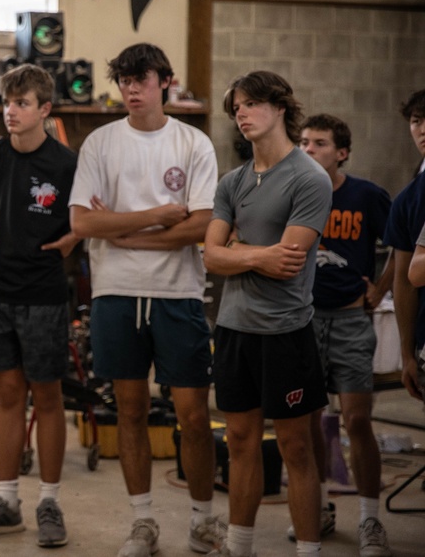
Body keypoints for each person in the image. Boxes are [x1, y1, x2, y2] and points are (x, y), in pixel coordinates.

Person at [68, 43, 222, 557]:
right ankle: (142, 523)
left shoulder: (193, 142)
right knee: (129, 413)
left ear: (165, 83)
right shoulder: (100, 143)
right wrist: (157, 215)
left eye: (142, 79)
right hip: (116, 293)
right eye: (125, 81)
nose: (132, 89)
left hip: (178, 293)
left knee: (193, 417)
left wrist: (125, 232)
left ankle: (203, 522)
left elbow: (202, 224)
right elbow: (83, 223)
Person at [202, 71, 332, 557]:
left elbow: (289, 261)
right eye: (237, 106)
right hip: (234, 328)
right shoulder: (233, 181)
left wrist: (236, 249)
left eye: (253, 103)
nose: (242, 113)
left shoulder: (308, 178)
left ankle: (309, 550)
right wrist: (255, 254)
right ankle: (240, 547)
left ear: (281, 108)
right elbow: (210, 256)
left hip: (284, 331)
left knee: (296, 447)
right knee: (239, 442)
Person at [0, 63, 78, 547]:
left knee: (46, 397)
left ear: (44, 110)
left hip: (44, 295)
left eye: (22, 103)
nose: (11, 111)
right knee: (8, 394)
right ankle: (6, 502)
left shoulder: (65, 164)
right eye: (8, 102)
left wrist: (72, 238)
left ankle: (49, 501)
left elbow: (88, 215)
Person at [298, 114, 393, 557]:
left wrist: (382, 286)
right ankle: (318, 507)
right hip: (304, 320)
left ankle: (371, 517)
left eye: (318, 143)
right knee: (313, 422)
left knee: (356, 420)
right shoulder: (295, 193)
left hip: (352, 321)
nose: (308, 150)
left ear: (342, 152)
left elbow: (405, 242)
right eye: (303, 142)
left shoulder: (367, 196)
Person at [384, 89, 425, 407]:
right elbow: (406, 278)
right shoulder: (407, 200)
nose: (422, 129)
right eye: (416, 121)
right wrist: (406, 352)